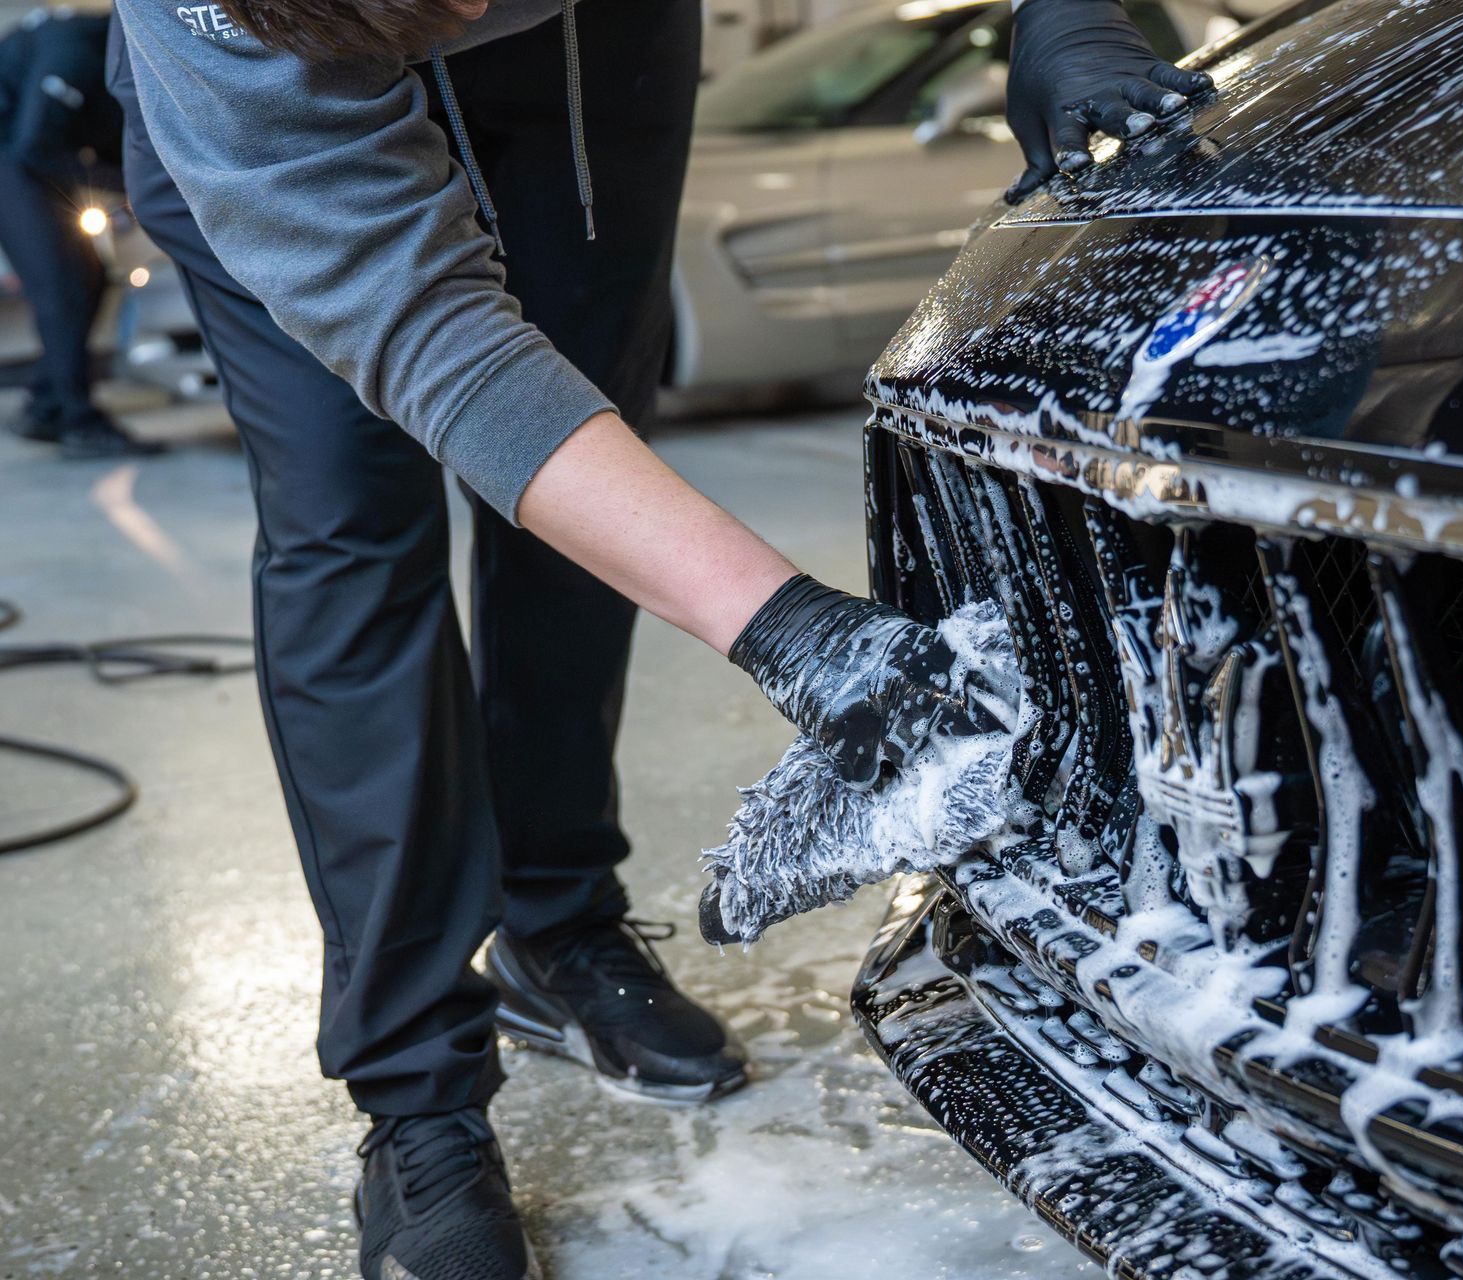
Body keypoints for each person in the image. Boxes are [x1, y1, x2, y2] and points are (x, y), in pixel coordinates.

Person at [107, 0, 1207, 1276]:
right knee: (350, 531)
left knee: (590, 471)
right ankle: (416, 1089)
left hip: (592, 54)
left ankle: (558, 921)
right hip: (291, 108)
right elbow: (425, 332)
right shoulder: (218, 27)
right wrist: (800, 633)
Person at [0, 7, 152, 458]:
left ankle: (46, 405)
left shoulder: (118, 60)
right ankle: (76, 420)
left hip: (27, 153)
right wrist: (132, 185)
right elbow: (35, 148)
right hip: (12, 153)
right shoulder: (78, 53)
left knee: (90, 276)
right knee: (62, 285)